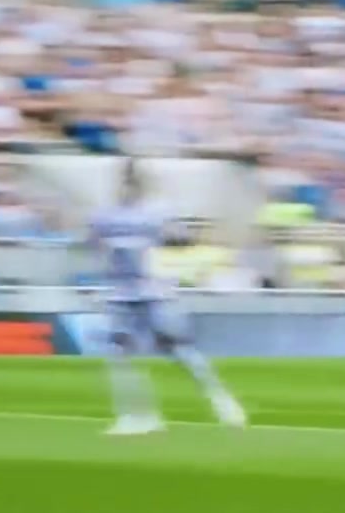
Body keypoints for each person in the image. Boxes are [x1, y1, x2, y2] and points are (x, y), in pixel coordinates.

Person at [90, 158, 246, 436]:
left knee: (178, 349)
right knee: (118, 353)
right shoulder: (105, 215)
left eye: (134, 179)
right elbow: (94, 245)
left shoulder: (158, 211)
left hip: (154, 291)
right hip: (121, 292)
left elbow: (178, 241)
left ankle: (221, 398)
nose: (129, 185)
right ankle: (136, 416)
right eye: (126, 179)